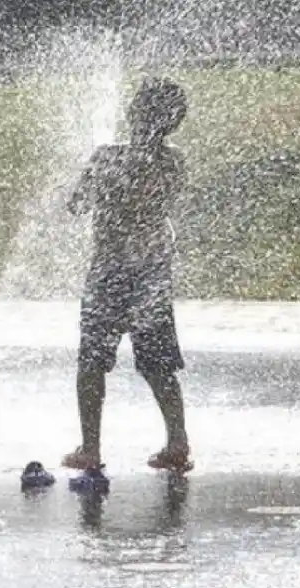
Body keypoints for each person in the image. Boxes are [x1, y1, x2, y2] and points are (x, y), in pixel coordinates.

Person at [61, 76, 191, 473]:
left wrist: (88, 177)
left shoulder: (107, 157)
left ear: (133, 113)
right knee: (158, 362)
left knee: (92, 361)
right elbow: (168, 200)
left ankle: (91, 447)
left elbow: (76, 204)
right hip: (152, 274)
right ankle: (178, 442)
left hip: (110, 272)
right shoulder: (174, 161)